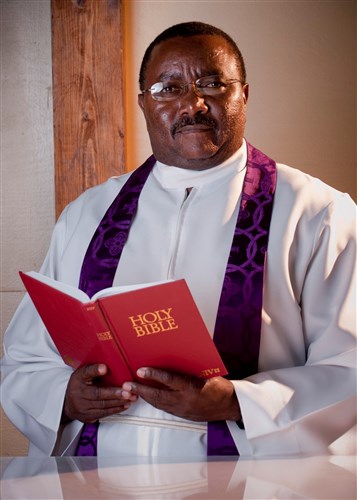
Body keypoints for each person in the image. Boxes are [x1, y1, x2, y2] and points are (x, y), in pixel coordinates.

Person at [1, 22, 356, 458]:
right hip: (98, 474)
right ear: (143, 105)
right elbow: (25, 358)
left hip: (247, 477)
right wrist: (65, 398)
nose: (194, 104)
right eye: (168, 89)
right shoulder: (88, 214)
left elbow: (349, 367)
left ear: (244, 94)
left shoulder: (317, 213)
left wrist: (234, 401)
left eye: (212, 84)